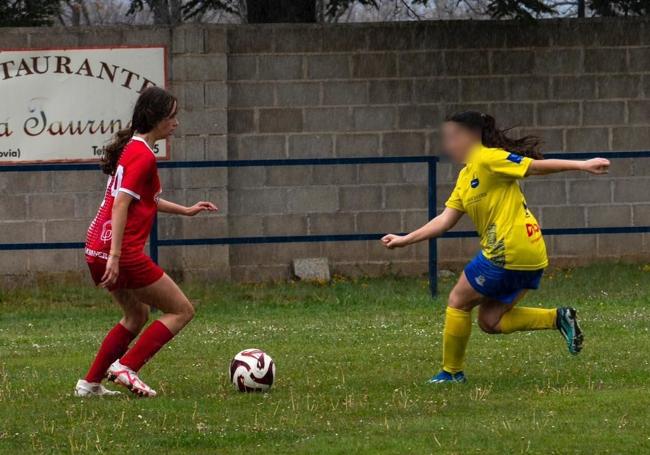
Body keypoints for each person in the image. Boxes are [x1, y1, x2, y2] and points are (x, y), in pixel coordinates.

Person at [381, 111, 610, 384]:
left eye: (453, 137)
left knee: (457, 300)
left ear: (471, 136)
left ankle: (452, 373)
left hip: (507, 251)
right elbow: (445, 220)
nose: (448, 144)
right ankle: (558, 318)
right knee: (490, 321)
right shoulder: (466, 177)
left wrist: (583, 165)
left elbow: (533, 166)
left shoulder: (487, 157)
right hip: (531, 255)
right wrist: (405, 239)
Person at [75, 87, 217, 397]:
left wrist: (186, 210)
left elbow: (146, 200)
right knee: (182, 310)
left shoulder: (133, 148)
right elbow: (121, 204)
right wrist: (115, 256)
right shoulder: (141, 155)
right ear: (155, 118)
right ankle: (127, 367)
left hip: (95, 248)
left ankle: (89, 384)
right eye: (172, 116)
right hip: (118, 253)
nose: (176, 123)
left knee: (137, 315)